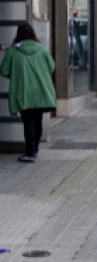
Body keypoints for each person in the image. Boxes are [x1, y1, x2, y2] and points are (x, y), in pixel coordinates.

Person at [0, 23, 56, 163]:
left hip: (23, 91)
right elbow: (52, 66)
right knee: (37, 121)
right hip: (41, 91)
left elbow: (4, 71)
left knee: (28, 122)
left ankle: (30, 153)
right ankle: (34, 149)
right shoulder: (42, 49)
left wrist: (17, 73)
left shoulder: (13, 51)